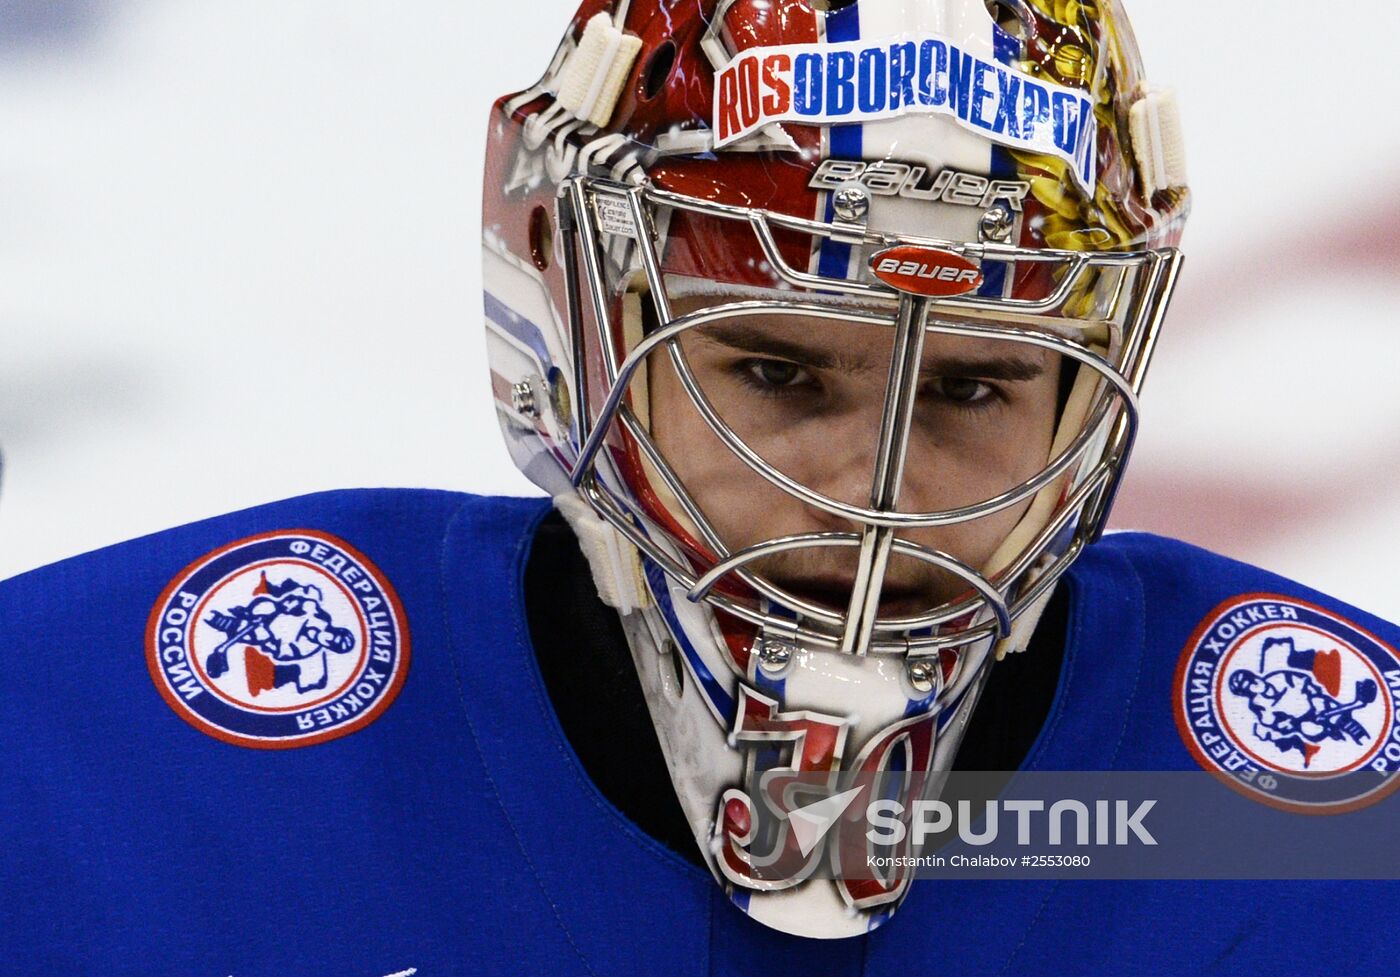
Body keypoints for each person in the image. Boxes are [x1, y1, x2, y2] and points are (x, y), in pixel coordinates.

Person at [2, 0, 1398, 972]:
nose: (873, 486)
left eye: (974, 386)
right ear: (577, 314)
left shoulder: (1343, 825)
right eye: (778, 373)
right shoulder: (82, 754)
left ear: (1086, 395)